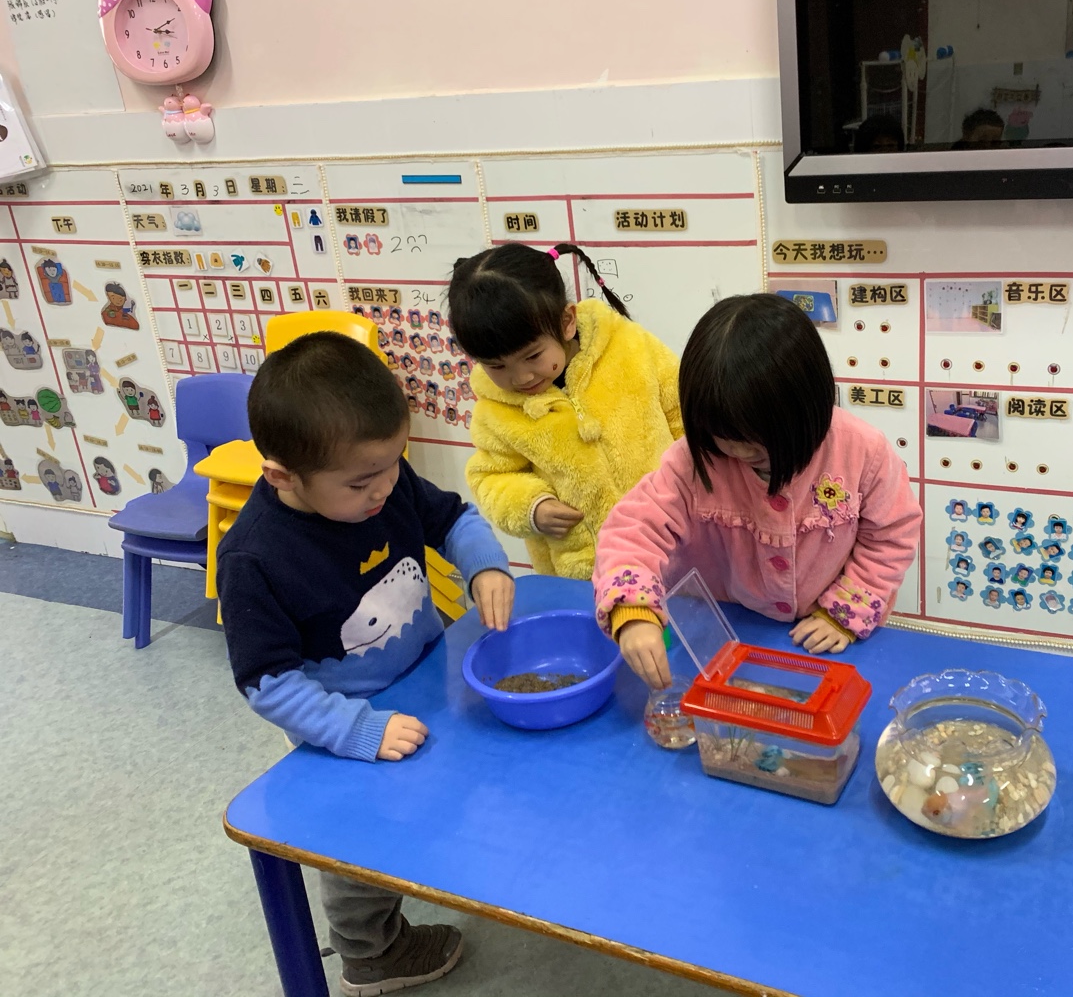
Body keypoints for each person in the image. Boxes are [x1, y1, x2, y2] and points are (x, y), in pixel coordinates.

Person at [217, 333, 513, 995]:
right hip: (343, 723)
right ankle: (371, 952)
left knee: (437, 795)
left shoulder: (384, 480)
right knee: (359, 841)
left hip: (425, 681)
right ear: (283, 476)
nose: (384, 487)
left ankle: (425, 865)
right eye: (359, 483)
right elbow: (266, 683)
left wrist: (486, 565)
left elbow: (454, 519)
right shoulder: (254, 557)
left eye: (393, 464)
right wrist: (359, 731)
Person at [592, 294, 922, 689]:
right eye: (723, 436)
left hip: (822, 633)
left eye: (754, 440)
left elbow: (891, 534)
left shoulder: (862, 451)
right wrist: (633, 611)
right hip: (725, 628)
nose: (738, 452)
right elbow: (635, 528)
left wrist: (843, 613)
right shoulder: (692, 461)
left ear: (808, 408)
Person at [452, 243, 682, 579]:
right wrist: (533, 508)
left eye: (533, 356)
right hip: (584, 572)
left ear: (567, 322)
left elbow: (683, 414)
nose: (521, 377)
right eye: (496, 366)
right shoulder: (495, 411)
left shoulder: (630, 347)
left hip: (671, 545)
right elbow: (490, 477)